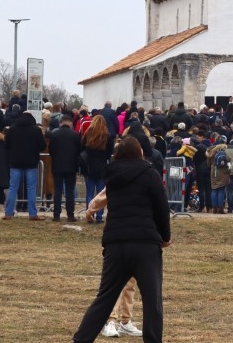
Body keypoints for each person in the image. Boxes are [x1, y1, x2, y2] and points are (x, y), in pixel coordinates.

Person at [72, 137, 171, 343]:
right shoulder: (150, 174)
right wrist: (165, 236)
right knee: (152, 301)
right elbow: (161, 207)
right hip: (145, 242)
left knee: (105, 298)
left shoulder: (112, 177)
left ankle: (81, 339)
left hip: (116, 242)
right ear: (140, 152)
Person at [84, 188, 144, 338]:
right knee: (115, 282)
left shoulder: (143, 177)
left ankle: (126, 321)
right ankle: (110, 320)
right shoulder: (118, 177)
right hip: (118, 236)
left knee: (131, 281)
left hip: (137, 234)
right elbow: (101, 198)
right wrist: (90, 211)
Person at [3, 111, 47, 220]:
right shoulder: (36, 130)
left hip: (15, 162)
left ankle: (8, 213)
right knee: (31, 188)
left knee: (13, 188)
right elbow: (42, 146)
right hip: (31, 163)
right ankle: (32, 213)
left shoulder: (12, 129)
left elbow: (6, 145)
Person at [81, 115, 115, 224]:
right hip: (102, 166)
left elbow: (82, 148)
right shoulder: (107, 137)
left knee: (89, 193)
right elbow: (110, 152)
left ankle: (89, 214)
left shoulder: (87, 134)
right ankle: (99, 216)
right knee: (101, 193)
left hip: (89, 166)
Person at [48, 115, 81, 222]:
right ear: (71, 124)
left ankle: (56, 215)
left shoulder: (54, 134)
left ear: (60, 123)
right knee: (70, 191)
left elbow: (51, 150)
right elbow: (79, 150)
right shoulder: (76, 135)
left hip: (57, 165)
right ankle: (70, 215)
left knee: (58, 190)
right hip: (71, 166)